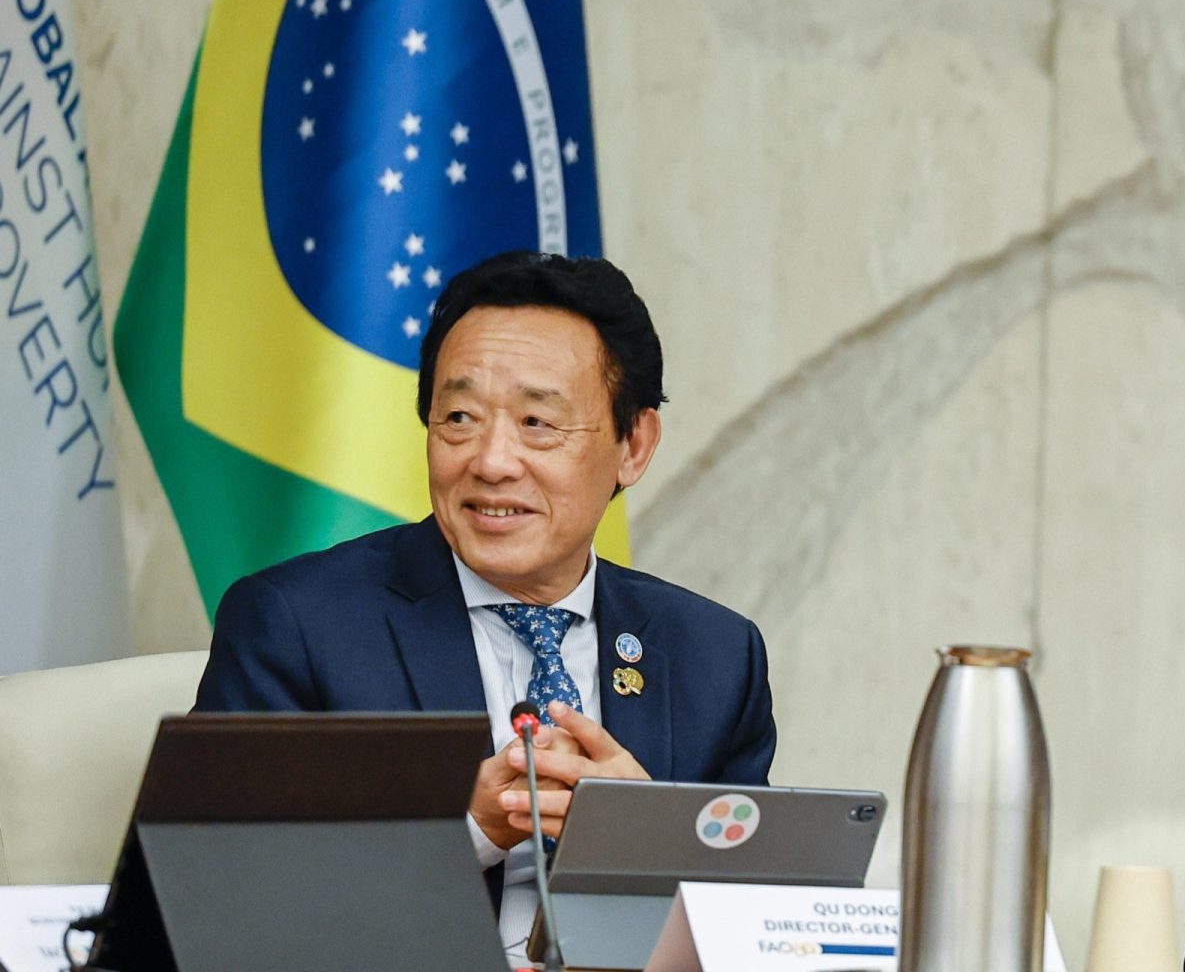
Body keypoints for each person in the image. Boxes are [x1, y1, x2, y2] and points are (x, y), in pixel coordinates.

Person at [194, 250, 776, 959]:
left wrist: (655, 844)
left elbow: (757, 928)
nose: (492, 461)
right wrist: (465, 831)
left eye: (538, 422)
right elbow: (218, 903)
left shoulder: (714, 654)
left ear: (634, 444)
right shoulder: (297, 626)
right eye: (460, 418)